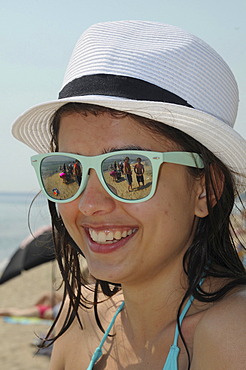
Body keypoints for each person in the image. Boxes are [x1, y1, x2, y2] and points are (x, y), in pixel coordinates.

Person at [12, 21, 246, 369]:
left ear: (206, 188)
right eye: (67, 171)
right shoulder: (79, 327)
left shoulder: (231, 334)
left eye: (128, 171)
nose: (89, 204)